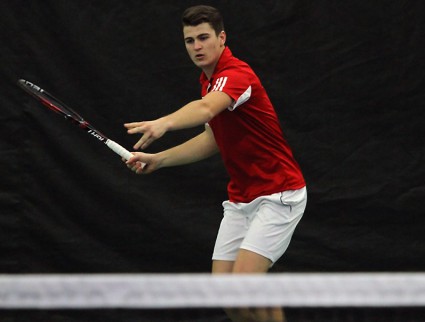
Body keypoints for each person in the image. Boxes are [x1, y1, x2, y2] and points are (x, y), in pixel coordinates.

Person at [125, 5, 307, 322]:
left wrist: (165, 123)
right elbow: (213, 138)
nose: (197, 46)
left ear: (221, 38)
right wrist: (159, 159)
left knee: (243, 289)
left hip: (279, 195)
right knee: (229, 299)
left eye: (204, 38)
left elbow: (207, 109)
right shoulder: (208, 81)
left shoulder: (236, 76)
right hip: (241, 199)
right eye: (189, 40)